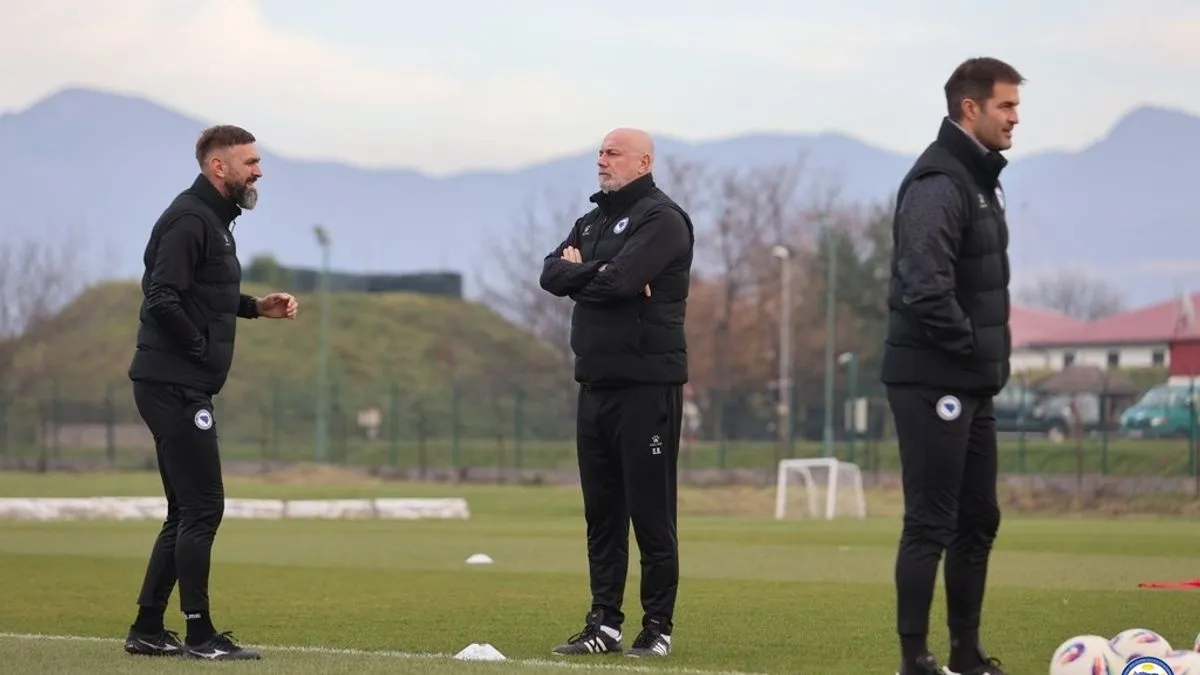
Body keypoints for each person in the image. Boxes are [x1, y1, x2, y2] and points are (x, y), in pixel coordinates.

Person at [122, 124, 298, 661]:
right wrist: (198, 350)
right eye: (250, 162)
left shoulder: (214, 222)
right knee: (203, 507)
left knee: (185, 509)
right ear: (216, 166)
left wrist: (252, 307)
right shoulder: (191, 219)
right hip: (174, 383)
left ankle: (148, 628)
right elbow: (161, 297)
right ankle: (200, 634)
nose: (259, 171)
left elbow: (199, 291)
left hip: (178, 380)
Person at [880, 57, 1024, 675]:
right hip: (933, 379)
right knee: (930, 522)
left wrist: (981, 361)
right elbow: (924, 283)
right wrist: (968, 346)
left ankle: (967, 652)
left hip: (970, 380)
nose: (1016, 118)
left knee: (979, 518)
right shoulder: (940, 180)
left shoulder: (981, 179)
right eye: (1006, 107)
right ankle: (916, 659)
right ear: (971, 108)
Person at [538, 127, 695, 659]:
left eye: (613, 153)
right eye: (600, 152)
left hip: (647, 385)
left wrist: (586, 271)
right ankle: (603, 624)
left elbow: (619, 283)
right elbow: (549, 274)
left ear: (644, 161)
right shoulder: (593, 218)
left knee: (651, 512)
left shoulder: (662, 219)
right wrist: (591, 270)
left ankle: (657, 628)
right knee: (601, 514)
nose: (601, 160)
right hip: (595, 382)